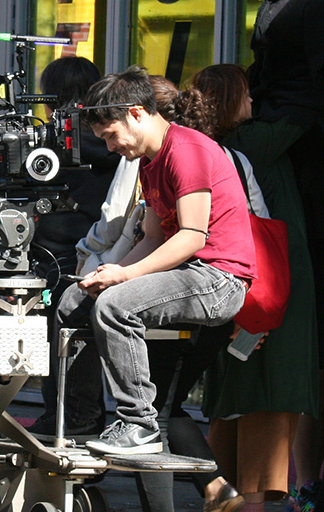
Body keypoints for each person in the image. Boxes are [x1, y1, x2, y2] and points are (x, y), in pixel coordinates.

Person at [57, 66, 254, 456]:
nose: (110, 148)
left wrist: (123, 277)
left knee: (115, 305)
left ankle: (138, 424)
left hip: (219, 279)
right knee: (73, 302)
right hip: (189, 272)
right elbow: (152, 237)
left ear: (136, 113)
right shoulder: (150, 160)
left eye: (110, 136)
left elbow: (192, 236)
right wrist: (106, 273)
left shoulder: (187, 150)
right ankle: (77, 418)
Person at [185, 63, 318, 512]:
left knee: (231, 400)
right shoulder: (252, 143)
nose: (255, 102)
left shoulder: (203, 148)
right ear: (230, 102)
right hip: (266, 294)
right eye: (247, 93)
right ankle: (251, 503)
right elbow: (304, 107)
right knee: (268, 397)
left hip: (226, 292)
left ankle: (225, 495)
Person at [225, 3, 324, 511]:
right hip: (274, 290)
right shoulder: (263, 140)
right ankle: (286, 490)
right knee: (282, 392)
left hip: (240, 305)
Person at [27, 56, 118, 442]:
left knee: (55, 337)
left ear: (52, 99)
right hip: (101, 255)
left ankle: (61, 418)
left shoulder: (51, 148)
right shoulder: (114, 144)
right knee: (79, 339)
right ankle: (82, 417)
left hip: (53, 254)